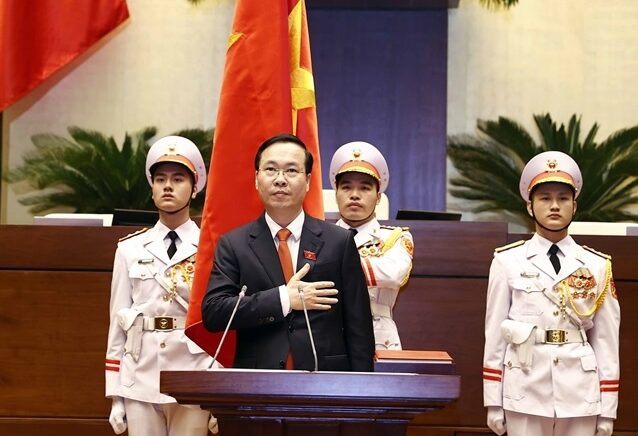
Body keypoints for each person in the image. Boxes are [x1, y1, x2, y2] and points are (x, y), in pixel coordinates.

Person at [201, 133, 375, 371]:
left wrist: (360, 395)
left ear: (308, 181)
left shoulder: (339, 242)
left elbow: (359, 329)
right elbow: (214, 313)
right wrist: (284, 299)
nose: (280, 180)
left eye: (291, 171)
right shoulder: (234, 244)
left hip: (325, 383)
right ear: (256, 178)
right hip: (257, 383)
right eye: (271, 170)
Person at [482, 151, 620, 436]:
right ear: (530, 207)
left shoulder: (596, 265)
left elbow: (606, 341)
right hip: (525, 386)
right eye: (545, 198)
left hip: (580, 391)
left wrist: (608, 408)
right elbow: (494, 335)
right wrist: (493, 402)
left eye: (563, 198)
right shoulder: (507, 261)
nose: (554, 206)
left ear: (575, 205)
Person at [105, 136, 218, 435]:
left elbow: (221, 323)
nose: (168, 186)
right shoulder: (129, 249)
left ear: (194, 188)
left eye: (178, 178)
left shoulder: (212, 248)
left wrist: (220, 389)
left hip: (194, 372)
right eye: (160, 179)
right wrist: (116, 395)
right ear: (152, 188)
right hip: (140, 375)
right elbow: (118, 324)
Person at [329, 141, 413, 349]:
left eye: (365, 188)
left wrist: (330, 265)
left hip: (378, 339)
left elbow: (393, 275)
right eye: (346, 187)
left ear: (378, 197)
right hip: (328, 336)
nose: (354, 194)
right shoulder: (319, 236)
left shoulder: (396, 238)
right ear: (336, 194)